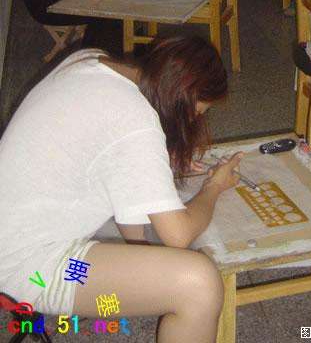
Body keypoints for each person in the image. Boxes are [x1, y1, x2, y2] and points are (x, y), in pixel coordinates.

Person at [0, 36, 240, 343]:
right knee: (199, 283)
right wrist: (215, 186)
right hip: (29, 268)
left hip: (14, 235)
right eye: (198, 111)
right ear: (180, 98)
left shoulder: (91, 60)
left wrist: (156, 162)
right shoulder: (135, 119)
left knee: (165, 261)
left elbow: (111, 155)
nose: (196, 119)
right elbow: (178, 235)